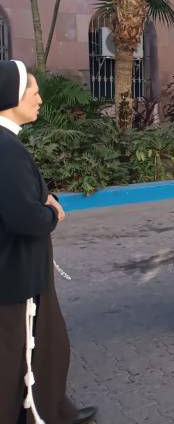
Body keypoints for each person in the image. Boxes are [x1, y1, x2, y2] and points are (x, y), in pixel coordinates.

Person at [0, 60, 97, 424]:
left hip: (18, 274)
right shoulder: (5, 148)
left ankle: (54, 409)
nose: (40, 98)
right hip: (17, 276)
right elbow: (24, 218)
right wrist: (52, 214)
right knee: (23, 354)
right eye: (33, 91)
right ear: (12, 96)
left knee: (44, 348)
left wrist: (43, 199)